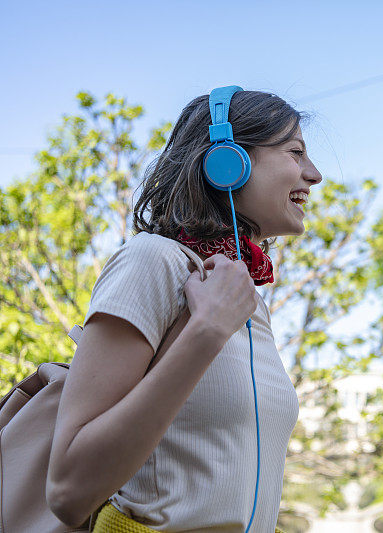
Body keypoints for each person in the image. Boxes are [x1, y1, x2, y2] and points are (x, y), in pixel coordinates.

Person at [45, 88, 323, 532]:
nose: (314, 175)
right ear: (228, 162)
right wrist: (207, 330)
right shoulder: (152, 261)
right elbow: (68, 490)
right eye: (295, 153)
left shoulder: (244, 297)